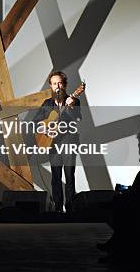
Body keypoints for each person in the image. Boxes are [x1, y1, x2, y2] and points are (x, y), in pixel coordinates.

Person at [33, 71, 82, 213]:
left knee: (69, 175)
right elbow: (35, 122)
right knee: (55, 176)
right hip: (52, 144)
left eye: (60, 83)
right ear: (51, 86)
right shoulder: (47, 104)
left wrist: (71, 107)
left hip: (68, 143)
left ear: (65, 85)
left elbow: (78, 119)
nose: (57, 86)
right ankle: (58, 208)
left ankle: (71, 208)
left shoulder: (74, 101)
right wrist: (45, 128)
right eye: (54, 83)